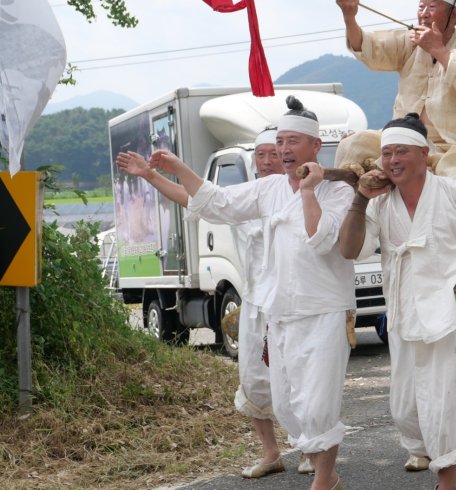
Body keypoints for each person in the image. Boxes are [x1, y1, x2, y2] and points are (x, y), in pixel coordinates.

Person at [147, 96, 354, 490]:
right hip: (280, 311)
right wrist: (177, 168)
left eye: (293, 142)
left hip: (325, 310)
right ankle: (318, 467)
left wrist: (309, 192)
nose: (284, 150)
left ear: (315, 146)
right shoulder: (269, 188)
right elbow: (218, 202)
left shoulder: (339, 191)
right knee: (288, 403)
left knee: (318, 402)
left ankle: (324, 479)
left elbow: (321, 238)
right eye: (281, 142)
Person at [116, 129, 314, 478]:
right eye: (262, 154)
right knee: (252, 379)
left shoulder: (301, 194)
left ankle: (311, 449)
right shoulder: (247, 196)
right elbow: (193, 197)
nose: (269, 160)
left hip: (291, 303)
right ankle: (271, 453)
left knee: (297, 380)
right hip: (254, 303)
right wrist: (150, 175)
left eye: (275, 152)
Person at [338, 113, 456, 490]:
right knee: (407, 410)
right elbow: (350, 249)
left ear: (423, 153)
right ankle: (449, 466)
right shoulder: (380, 204)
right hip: (403, 319)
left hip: (449, 317)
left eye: (401, 151)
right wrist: (360, 197)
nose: (392, 160)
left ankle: (447, 478)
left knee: (445, 404)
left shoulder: (454, 193)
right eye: (387, 153)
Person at [336, 0, 456, 294]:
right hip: (403, 142)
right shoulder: (408, 41)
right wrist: (350, 17)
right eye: (421, 7)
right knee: (353, 145)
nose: (423, 13)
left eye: (432, 7)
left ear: (453, 15)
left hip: (450, 147)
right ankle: (347, 221)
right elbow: (371, 50)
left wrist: (439, 49)